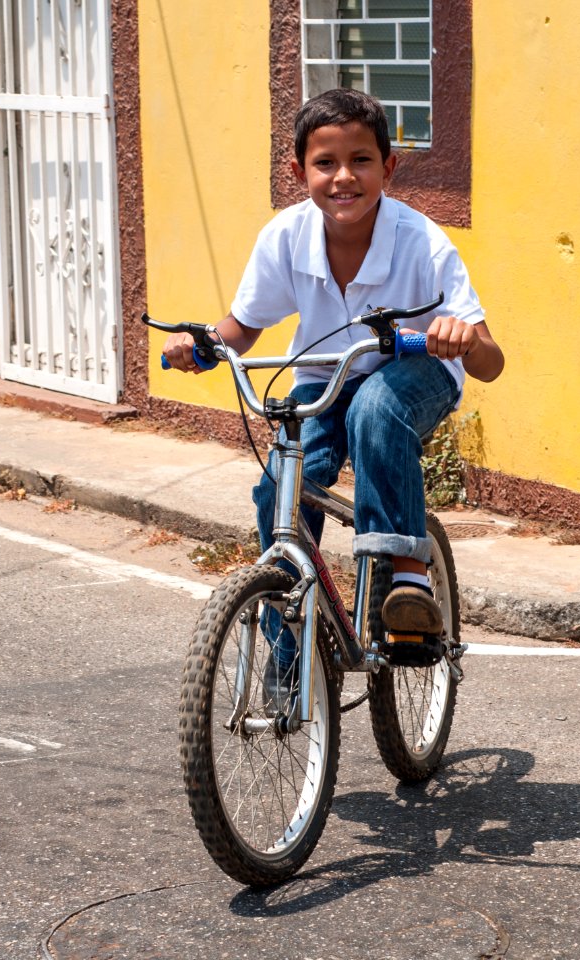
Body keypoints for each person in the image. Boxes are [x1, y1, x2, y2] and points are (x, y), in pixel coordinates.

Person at [163, 88, 504, 669]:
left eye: (361, 161)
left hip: (413, 372)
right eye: (325, 163)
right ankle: (289, 652)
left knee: (375, 407)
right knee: (280, 487)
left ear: (388, 168)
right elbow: (243, 326)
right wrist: (203, 344)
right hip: (324, 379)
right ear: (299, 172)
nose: (343, 178)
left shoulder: (424, 243)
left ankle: (408, 580)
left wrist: (461, 338)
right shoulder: (285, 236)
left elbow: (491, 361)